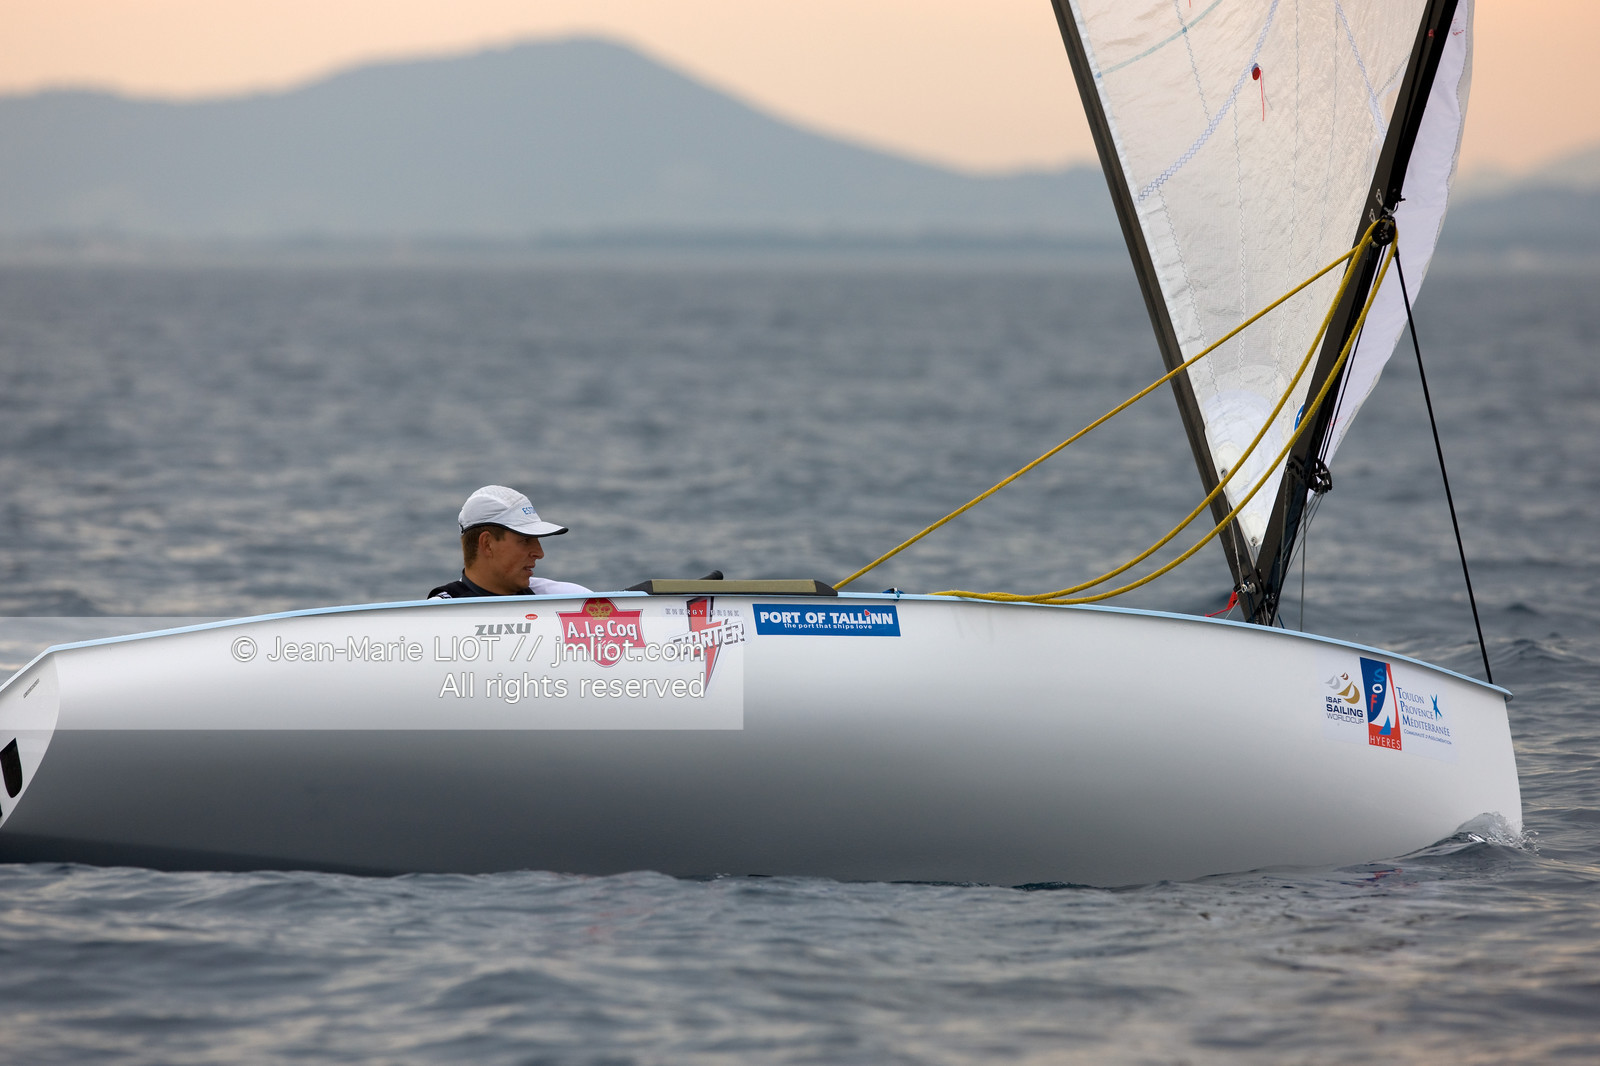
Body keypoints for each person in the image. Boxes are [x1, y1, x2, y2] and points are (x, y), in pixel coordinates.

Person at [428, 485, 593, 599]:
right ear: (487, 544)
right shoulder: (437, 615)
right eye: (526, 540)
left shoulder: (564, 598)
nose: (539, 553)